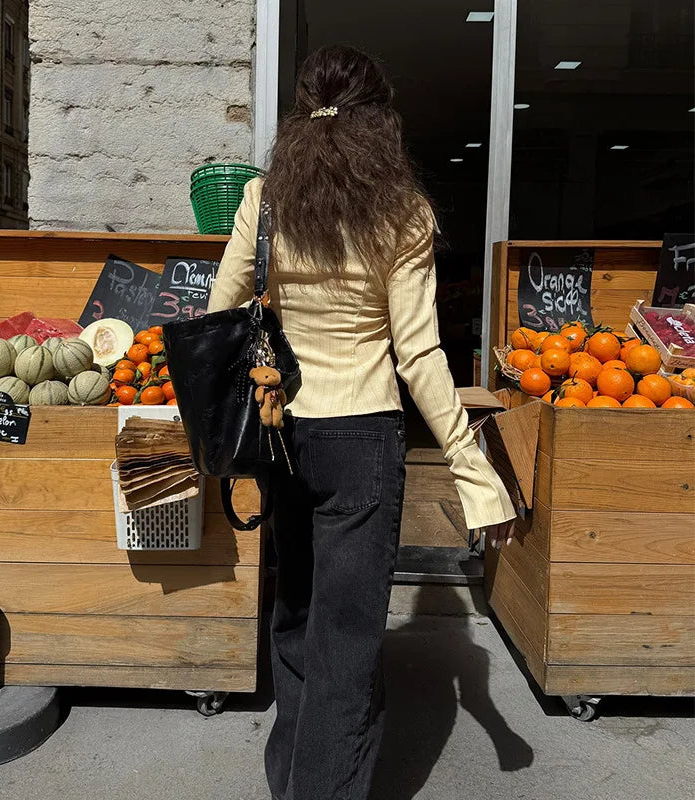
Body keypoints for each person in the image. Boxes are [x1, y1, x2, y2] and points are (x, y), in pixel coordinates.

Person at [207, 44, 516, 800]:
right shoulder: (403, 212)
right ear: (381, 121)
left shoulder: (265, 200)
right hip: (362, 440)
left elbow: (216, 315)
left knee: (296, 613)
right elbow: (419, 356)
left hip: (281, 434)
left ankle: (292, 780)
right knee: (346, 640)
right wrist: (474, 472)